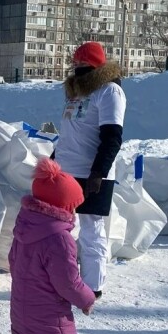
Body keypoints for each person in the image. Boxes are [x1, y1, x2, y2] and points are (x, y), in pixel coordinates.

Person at [9, 157, 96, 334]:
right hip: (47, 310)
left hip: (25, 303)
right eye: (72, 207)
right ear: (61, 207)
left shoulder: (27, 225)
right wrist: (86, 299)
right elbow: (67, 281)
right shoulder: (58, 238)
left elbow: (13, 260)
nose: (73, 212)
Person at [54, 41, 125, 297]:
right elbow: (69, 133)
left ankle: (93, 285)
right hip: (66, 171)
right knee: (60, 227)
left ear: (96, 65)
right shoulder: (76, 93)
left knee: (91, 230)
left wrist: (99, 172)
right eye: (76, 64)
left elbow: (112, 137)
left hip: (92, 173)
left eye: (84, 64)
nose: (78, 68)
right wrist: (53, 161)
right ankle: (65, 278)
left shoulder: (109, 91)